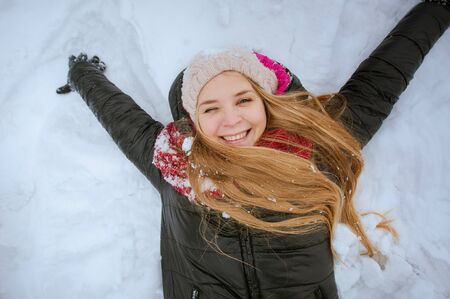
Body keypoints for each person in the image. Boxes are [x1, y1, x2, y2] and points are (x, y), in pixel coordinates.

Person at [57, 2, 449, 298]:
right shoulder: (174, 164)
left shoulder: (318, 146)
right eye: (211, 108)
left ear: (266, 102)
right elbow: (120, 116)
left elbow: (382, 79)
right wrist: (82, 73)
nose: (231, 120)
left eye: (244, 100)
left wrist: (436, 10)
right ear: (193, 119)